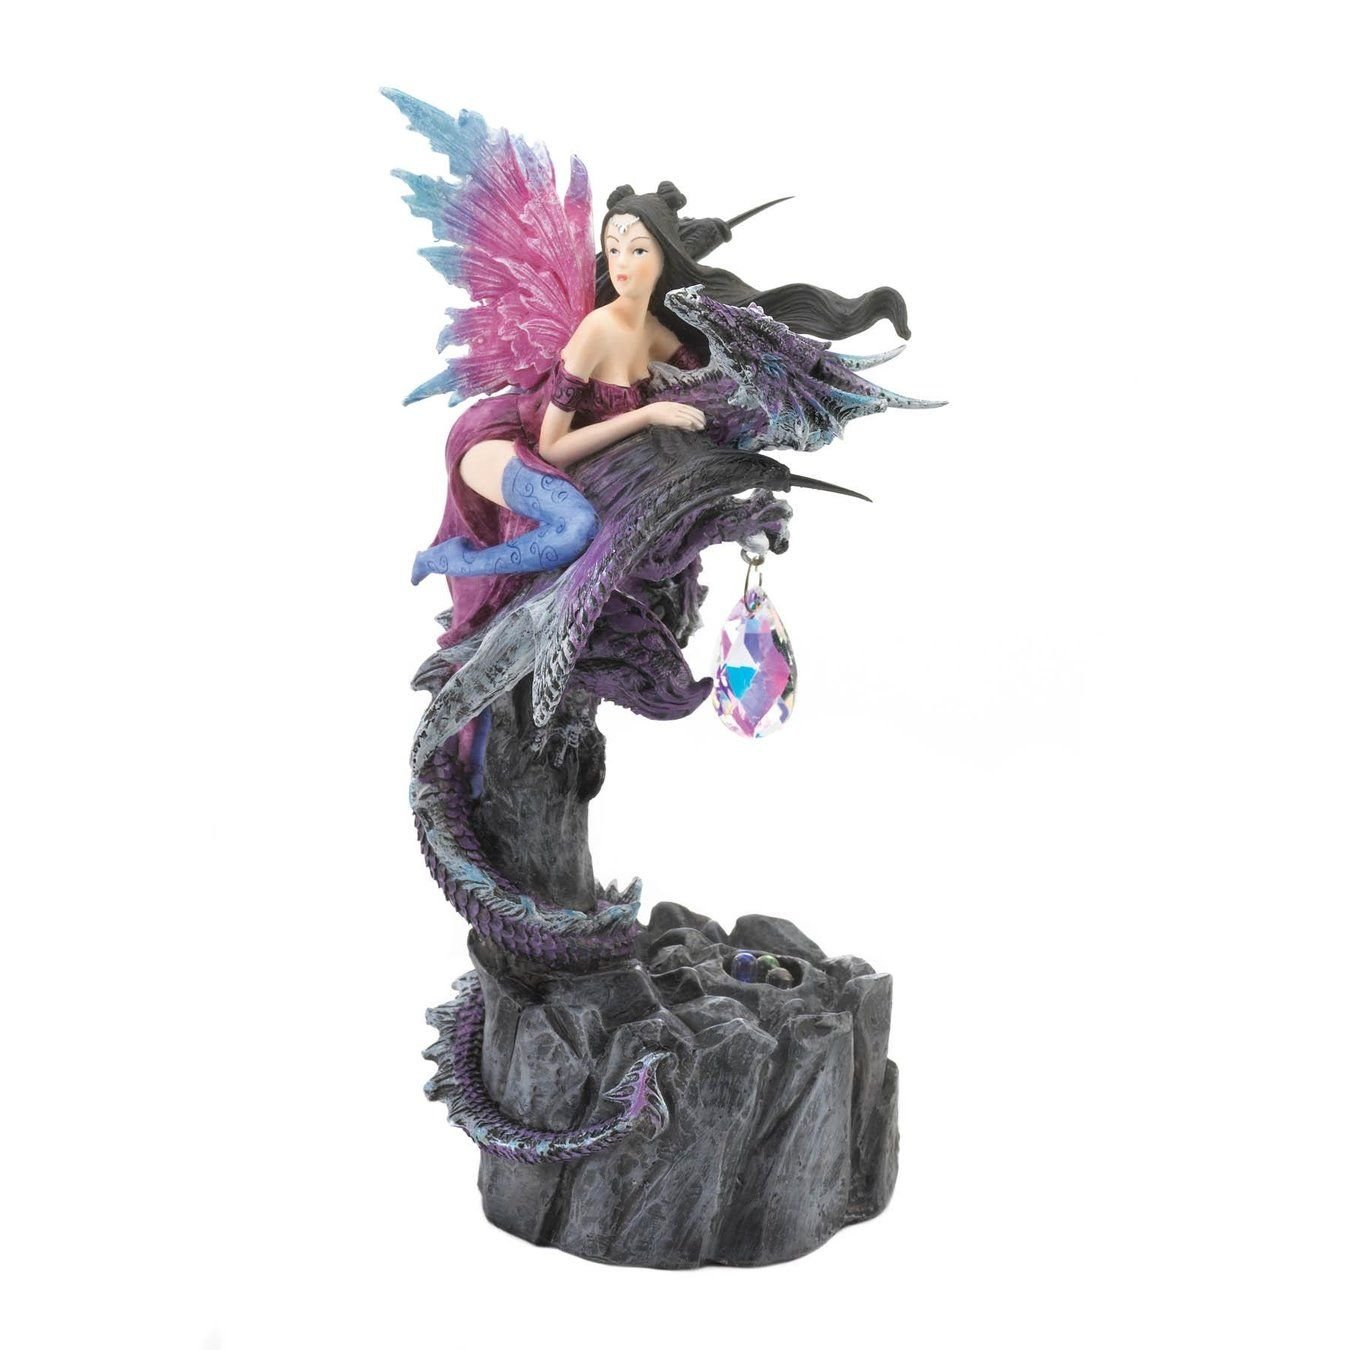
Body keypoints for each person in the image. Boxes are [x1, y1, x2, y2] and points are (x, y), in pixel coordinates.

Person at [408, 180, 910, 647]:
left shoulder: (655, 333)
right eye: (613, 250)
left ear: (665, 256)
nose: (621, 264)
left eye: (638, 250)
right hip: (502, 443)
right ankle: (456, 559)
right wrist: (645, 417)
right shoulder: (595, 331)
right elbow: (552, 448)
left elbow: (709, 390)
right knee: (574, 528)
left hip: (565, 456)